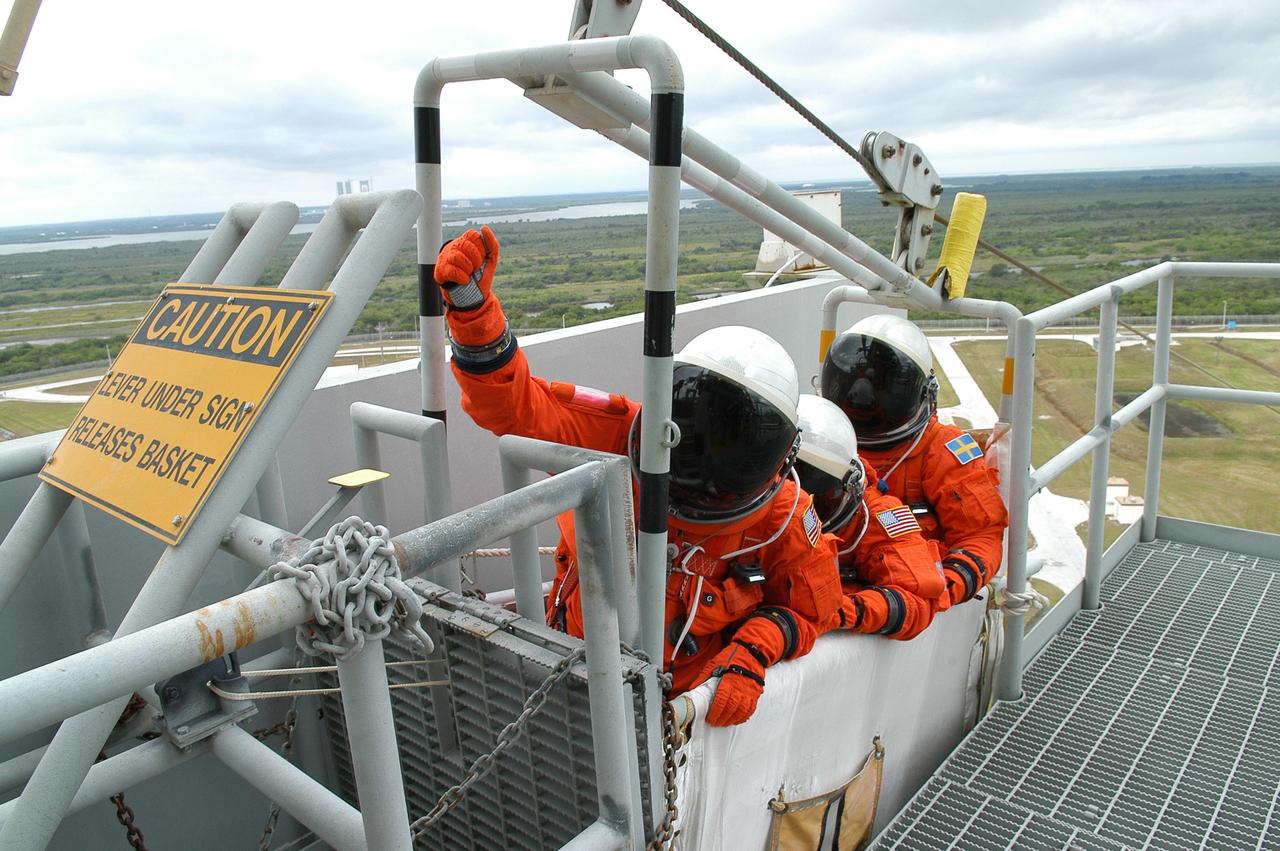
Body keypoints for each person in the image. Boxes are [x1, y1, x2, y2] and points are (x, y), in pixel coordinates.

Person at [436, 226, 842, 727]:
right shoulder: (617, 434)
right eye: (692, 435)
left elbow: (811, 611)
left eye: (729, 448)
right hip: (566, 681)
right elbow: (516, 408)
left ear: (779, 459)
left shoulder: (784, 520)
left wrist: (751, 654)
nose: (702, 467)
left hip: (676, 722)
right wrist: (474, 314)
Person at [820, 315, 1008, 608]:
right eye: (851, 382)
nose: (861, 396)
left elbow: (980, 536)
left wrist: (940, 590)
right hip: (825, 587)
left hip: (907, 597)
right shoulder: (819, 439)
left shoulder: (941, 450)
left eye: (879, 384)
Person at [794, 394, 945, 639]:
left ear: (847, 488)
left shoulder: (875, 518)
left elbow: (919, 598)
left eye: (812, 498)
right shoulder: (748, 503)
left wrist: (837, 611)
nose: (796, 507)